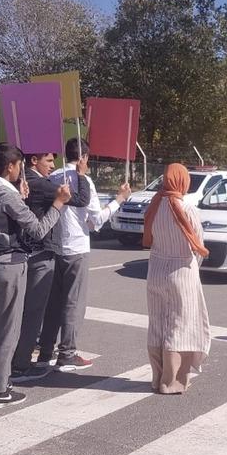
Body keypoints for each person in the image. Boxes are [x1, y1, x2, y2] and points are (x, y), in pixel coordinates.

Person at [0, 143, 70, 410]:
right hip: (9, 263)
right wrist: (58, 204)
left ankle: (0, 381)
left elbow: (6, 218)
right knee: (8, 329)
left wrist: (19, 199)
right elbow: (38, 230)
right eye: (18, 165)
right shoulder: (7, 195)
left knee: (1, 325)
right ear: (9, 167)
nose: (20, 169)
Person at [38, 138, 130, 371]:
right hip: (76, 247)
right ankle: (67, 352)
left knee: (53, 302)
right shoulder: (84, 181)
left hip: (54, 244)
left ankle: (46, 349)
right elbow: (96, 219)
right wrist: (119, 199)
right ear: (84, 158)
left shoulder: (53, 176)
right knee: (73, 303)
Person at [9, 151, 90, 382]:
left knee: (25, 309)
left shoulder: (19, 183)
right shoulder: (40, 184)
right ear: (33, 161)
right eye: (48, 161)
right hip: (41, 251)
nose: (52, 167)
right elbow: (81, 200)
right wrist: (81, 175)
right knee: (34, 312)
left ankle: (21, 356)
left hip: (23, 251)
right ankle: (21, 364)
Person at [142, 163, 211, 394]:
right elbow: (198, 245)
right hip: (182, 271)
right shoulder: (186, 208)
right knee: (180, 327)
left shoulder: (154, 206)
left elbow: (149, 237)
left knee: (158, 325)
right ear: (183, 181)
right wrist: (194, 270)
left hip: (156, 270)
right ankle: (171, 382)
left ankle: (157, 377)